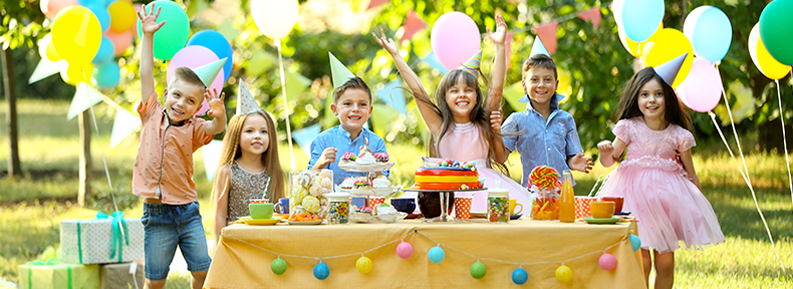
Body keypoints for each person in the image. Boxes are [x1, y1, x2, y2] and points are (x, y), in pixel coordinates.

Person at [596, 54, 724, 289]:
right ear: (636, 98)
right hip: (633, 197)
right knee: (640, 258)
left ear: (668, 98)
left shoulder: (679, 135)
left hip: (666, 200)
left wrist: (697, 203)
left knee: (665, 261)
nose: (651, 100)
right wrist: (605, 152)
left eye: (658, 94)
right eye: (645, 95)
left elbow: (691, 173)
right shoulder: (629, 127)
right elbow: (611, 159)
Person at [374, 14, 522, 213]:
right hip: (445, 188)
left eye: (468, 90)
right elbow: (418, 91)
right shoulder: (439, 125)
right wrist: (396, 56)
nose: (462, 95)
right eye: (454, 91)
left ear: (477, 97)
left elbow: (496, 88)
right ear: (445, 97)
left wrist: (500, 46)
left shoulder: (483, 121)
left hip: (483, 185)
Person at [134, 5, 227, 289]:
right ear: (165, 94)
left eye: (190, 101)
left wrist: (219, 113)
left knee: (202, 272)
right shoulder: (152, 113)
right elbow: (145, 73)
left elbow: (217, 128)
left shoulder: (194, 129)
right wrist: (148, 37)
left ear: (198, 107)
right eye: (176, 95)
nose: (180, 104)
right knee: (156, 281)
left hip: (187, 212)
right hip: (157, 214)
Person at [499, 40, 593, 191]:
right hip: (532, 193)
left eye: (547, 79)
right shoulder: (517, 120)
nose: (541, 85)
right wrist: (495, 130)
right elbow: (500, 157)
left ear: (556, 85)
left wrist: (573, 162)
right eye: (535, 79)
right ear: (524, 85)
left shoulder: (566, 119)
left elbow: (569, 157)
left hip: (562, 191)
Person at [212, 80, 285, 246]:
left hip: (268, 244)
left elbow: (281, 215)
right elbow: (220, 215)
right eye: (249, 131)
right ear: (237, 135)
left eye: (263, 131)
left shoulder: (275, 174)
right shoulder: (227, 172)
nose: (257, 136)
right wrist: (219, 246)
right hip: (236, 244)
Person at [309, 53, 389, 184]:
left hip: (367, 203)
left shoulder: (376, 143)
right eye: (347, 104)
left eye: (362, 104)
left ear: (369, 111)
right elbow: (308, 182)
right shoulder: (323, 141)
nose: (355, 109)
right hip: (333, 204)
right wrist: (320, 163)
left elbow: (384, 183)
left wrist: (373, 164)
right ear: (335, 109)